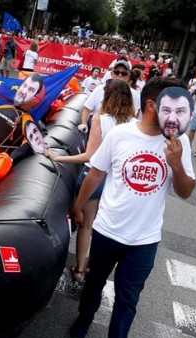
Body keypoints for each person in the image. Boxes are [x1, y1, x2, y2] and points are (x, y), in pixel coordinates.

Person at [69, 77, 195, 338]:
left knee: (128, 300)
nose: (176, 115)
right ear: (152, 105)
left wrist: (176, 164)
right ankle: (84, 318)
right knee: (94, 285)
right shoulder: (120, 134)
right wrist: (78, 207)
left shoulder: (177, 144)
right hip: (107, 231)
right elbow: (95, 174)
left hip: (144, 240)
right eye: (169, 107)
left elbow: (185, 192)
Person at [47, 79, 137, 283]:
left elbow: (90, 156)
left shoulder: (101, 119)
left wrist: (59, 157)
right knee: (103, 227)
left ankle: (79, 269)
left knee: (85, 225)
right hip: (117, 182)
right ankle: (94, 269)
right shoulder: (133, 124)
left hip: (95, 178)